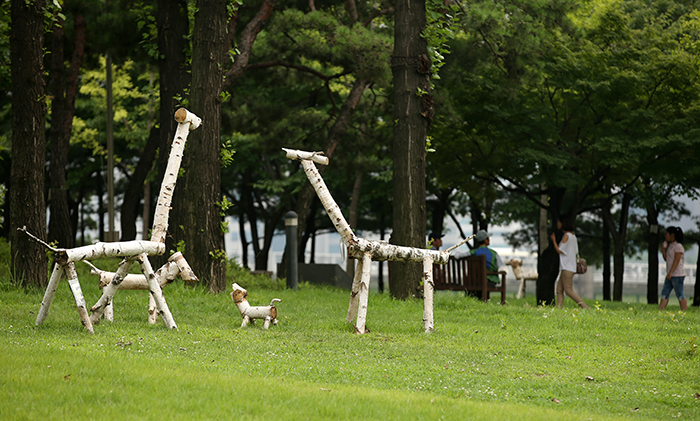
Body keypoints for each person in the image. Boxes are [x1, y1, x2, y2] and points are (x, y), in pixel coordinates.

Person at [550, 217, 589, 309]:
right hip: (568, 267)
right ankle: (558, 309)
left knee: (568, 290)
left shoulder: (566, 236)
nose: (558, 224)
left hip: (567, 268)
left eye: (559, 222)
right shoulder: (573, 236)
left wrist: (553, 240)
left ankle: (585, 306)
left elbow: (559, 250)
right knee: (559, 290)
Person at [470, 230, 504, 299]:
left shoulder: (472, 252)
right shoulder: (493, 253)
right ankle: (485, 300)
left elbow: (458, 255)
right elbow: (501, 266)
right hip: (489, 282)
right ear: (485, 240)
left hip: (475, 282)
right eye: (488, 238)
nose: (489, 240)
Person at [659, 226, 687, 311]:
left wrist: (671, 272)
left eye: (667, 234)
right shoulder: (671, 246)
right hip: (670, 275)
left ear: (672, 235)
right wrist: (663, 250)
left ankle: (684, 310)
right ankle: (661, 309)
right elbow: (667, 259)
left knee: (679, 294)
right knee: (665, 292)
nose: (665, 236)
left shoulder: (678, 246)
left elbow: (677, 260)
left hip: (677, 274)